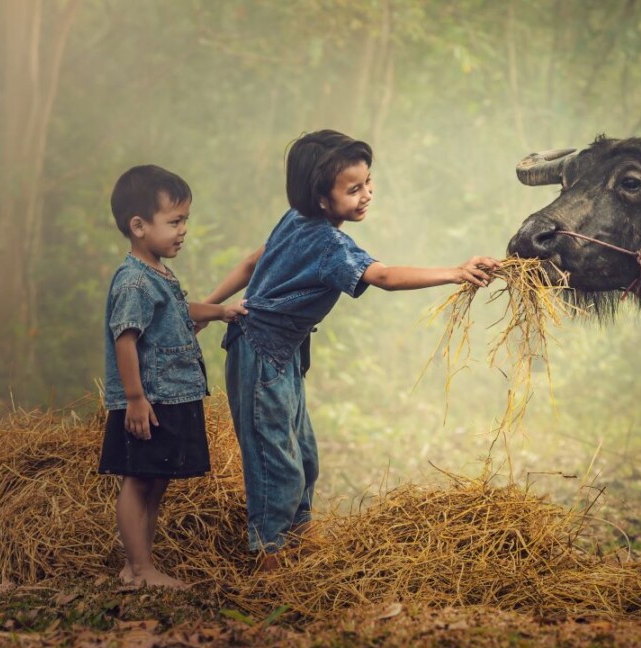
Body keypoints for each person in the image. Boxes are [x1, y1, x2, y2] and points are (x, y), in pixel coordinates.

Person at [204, 130, 499, 568]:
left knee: (303, 454)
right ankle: (268, 564)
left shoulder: (298, 220)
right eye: (353, 188)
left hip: (280, 354)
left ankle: (300, 547)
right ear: (321, 198)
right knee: (275, 461)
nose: (367, 194)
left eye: (368, 183)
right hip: (261, 351)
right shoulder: (328, 243)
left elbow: (253, 263)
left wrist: (204, 310)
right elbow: (384, 276)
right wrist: (455, 272)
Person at [99, 164, 246, 588]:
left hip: (171, 395)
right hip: (152, 399)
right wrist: (135, 399)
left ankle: (138, 565)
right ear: (139, 226)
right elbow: (125, 340)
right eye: (175, 221)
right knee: (138, 479)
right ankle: (139, 568)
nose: (183, 230)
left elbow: (179, 311)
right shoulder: (134, 282)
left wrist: (219, 311)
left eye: (186, 220)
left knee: (156, 480)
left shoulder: (158, 273)